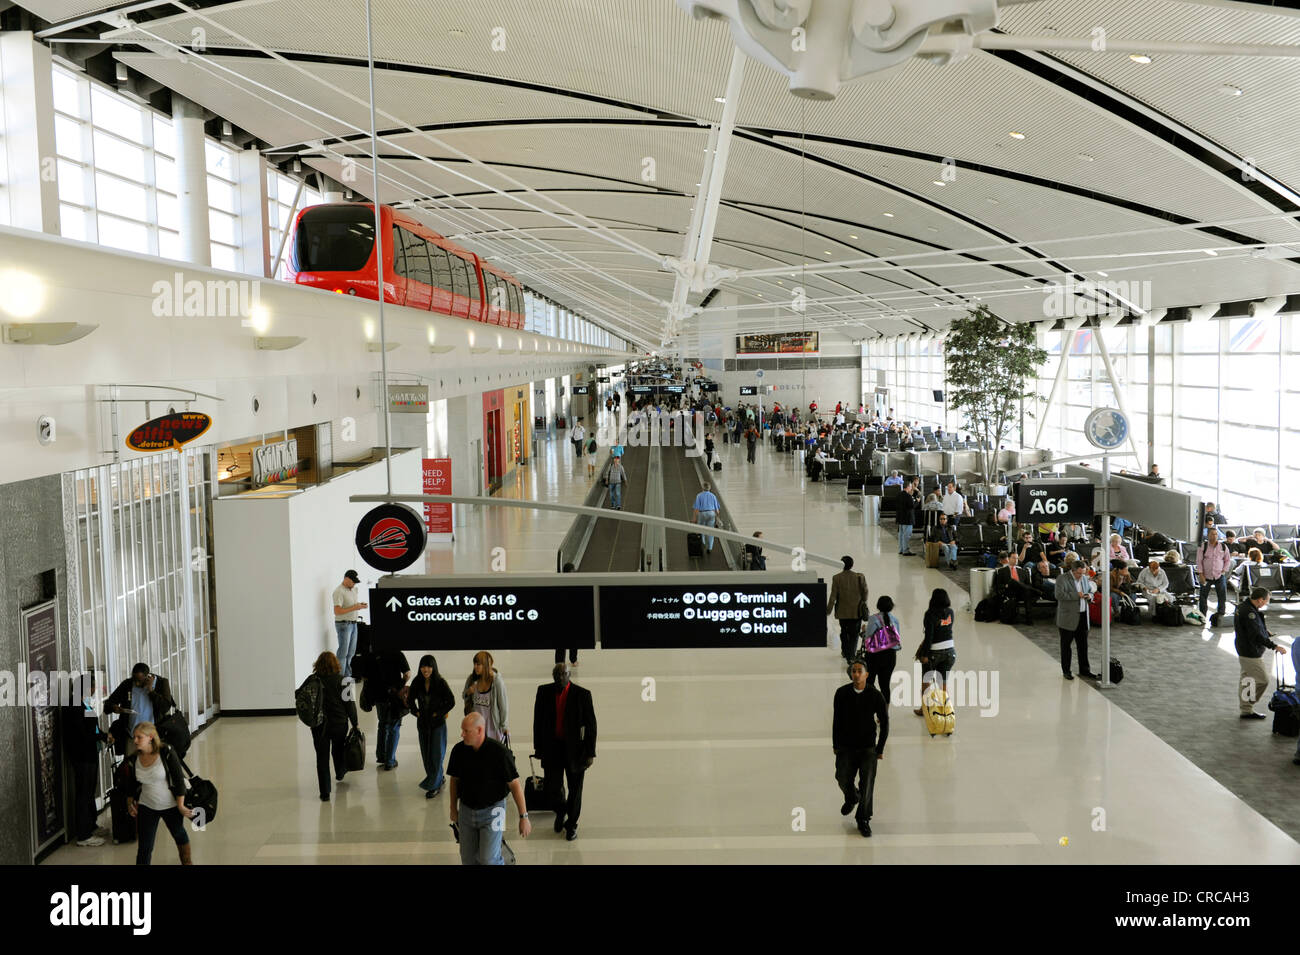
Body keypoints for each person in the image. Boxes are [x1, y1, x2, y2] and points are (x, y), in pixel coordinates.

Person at [447, 713, 531, 865]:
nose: (462, 734)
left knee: (488, 859)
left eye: (466, 731)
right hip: (466, 811)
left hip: (494, 811)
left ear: (479, 730)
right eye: (462, 730)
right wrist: (453, 808)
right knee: (467, 858)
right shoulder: (459, 751)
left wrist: (523, 817)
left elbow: (515, 785)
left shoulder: (500, 753)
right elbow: (454, 780)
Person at [532, 663, 597, 841]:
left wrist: (590, 752)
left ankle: (571, 825)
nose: (560, 678)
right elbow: (537, 722)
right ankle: (561, 811)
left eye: (564, 674)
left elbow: (591, 726)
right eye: (557, 675)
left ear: (569, 675)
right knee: (552, 788)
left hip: (576, 751)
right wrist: (538, 747)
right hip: (552, 749)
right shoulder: (543, 692)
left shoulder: (582, 695)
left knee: (575, 790)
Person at [122, 722, 194, 865]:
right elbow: (131, 784)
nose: (135, 741)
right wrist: (130, 802)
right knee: (145, 847)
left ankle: (187, 862)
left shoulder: (166, 752)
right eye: (134, 737)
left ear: (150, 737)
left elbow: (179, 780)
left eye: (139, 737)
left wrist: (180, 805)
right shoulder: (134, 759)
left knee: (179, 834)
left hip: (170, 805)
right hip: (146, 806)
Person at [832, 658, 888, 838]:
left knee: (867, 784)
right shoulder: (841, 694)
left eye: (859, 671)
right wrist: (836, 744)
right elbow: (836, 721)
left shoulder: (875, 695)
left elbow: (885, 722)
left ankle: (863, 818)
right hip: (846, 746)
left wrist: (880, 748)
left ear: (866, 674)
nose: (856, 674)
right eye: (853, 671)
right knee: (841, 777)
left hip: (867, 747)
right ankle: (851, 797)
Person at [61, 672, 110, 845]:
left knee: (90, 791)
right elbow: (81, 734)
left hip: (90, 753)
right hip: (82, 755)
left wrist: (104, 736)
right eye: (93, 686)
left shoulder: (84, 703)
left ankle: (91, 825)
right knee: (83, 793)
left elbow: (93, 728)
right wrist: (98, 737)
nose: (95, 689)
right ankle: (83, 835)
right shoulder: (73, 706)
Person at [309, 651, 359, 801]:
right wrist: (355, 723)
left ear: (318, 665)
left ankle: (325, 793)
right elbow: (350, 706)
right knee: (338, 749)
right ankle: (340, 772)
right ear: (335, 664)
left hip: (319, 726)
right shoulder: (344, 681)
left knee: (322, 758)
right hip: (339, 724)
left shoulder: (313, 681)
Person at [1234, 587, 1287, 720]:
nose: (1266, 603)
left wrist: (1265, 631)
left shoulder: (1244, 607)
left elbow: (1251, 627)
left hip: (1243, 648)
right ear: (1259, 600)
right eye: (1266, 601)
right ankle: (1248, 704)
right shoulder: (1249, 612)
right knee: (1263, 680)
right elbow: (1255, 635)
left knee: (1248, 680)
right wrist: (1274, 646)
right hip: (1250, 651)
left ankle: (1246, 710)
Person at [408, 654, 455, 798]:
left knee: (436, 754)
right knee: (427, 755)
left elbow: (451, 701)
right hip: (423, 724)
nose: (425, 669)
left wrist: (439, 713)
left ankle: (434, 785)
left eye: (428, 666)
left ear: (433, 667)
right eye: (423, 666)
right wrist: (415, 712)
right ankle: (438, 778)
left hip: (437, 725)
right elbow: (410, 700)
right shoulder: (417, 682)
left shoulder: (440, 683)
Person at [106, 663, 177, 753]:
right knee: (132, 764)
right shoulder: (127, 684)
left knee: (152, 764)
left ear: (147, 677)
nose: (136, 683)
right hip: (132, 737)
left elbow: (165, 707)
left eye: (139, 680)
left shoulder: (161, 683)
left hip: (153, 736)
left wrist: (151, 691)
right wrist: (114, 707)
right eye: (134, 679)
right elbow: (109, 703)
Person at [914, 589, 955, 715]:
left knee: (926, 682)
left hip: (934, 652)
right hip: (950, 651)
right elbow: (947, 629)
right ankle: (946, 711)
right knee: (943, 683)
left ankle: (924, 709)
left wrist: (924, 655)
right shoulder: (950, 612)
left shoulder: (930, 614)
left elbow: (929, 637)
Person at [1055, 562, 1098, 681]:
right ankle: (1066, 671)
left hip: (1083, 615)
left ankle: (1085, 670)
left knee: (1083, 645)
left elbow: (1090, 591)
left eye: (1083, 573)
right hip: (1068, 618)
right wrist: (1076, 595)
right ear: (1072, 570)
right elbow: (1059, 595)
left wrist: (1090, 596)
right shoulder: (1062, 578)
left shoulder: (1084, 578)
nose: (1081, 576)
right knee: (1066, 646)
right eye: (1079, 573)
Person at [370, 648, 410, 770]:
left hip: (379, 696)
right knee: (394, 727)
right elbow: (407, 674)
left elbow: (367, 676)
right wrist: (400, 686)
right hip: (394, 696)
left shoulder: (375, 654)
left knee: (382, 725)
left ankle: (381, 756)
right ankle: (390, 761)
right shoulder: (397, 653)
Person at [827, 556, 869, 663]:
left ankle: (845, 652)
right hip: (856, 611)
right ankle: (851, 655)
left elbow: (833, 597)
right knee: (854, 634)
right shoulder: (859, 577)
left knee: (844, 632)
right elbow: (865, 592)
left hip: (842, 612)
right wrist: (863, 600)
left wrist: (828, 611)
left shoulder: (837, 578)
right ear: (852, 565)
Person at [462, 650, 509, 744]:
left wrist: (504, 726)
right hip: (476, 727)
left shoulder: (496, 682)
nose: (475, 667)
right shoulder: (472, 679)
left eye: (478, 664)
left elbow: (503, 705)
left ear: (486, 665)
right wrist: (469, 692)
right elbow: (464, 696)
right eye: (474, 664)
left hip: (492, 727)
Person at [861, 595, 902, 701]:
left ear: (878, 606)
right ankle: (884, 714)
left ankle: (871, 707)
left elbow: (868, 636)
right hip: (890, 657)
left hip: (874, 656)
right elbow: (896, 640)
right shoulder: (895, 620)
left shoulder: (874, 618)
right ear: (891, 607)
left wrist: (864, 630)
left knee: (869, 682)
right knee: (885, 685)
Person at [331, 570, 367, 679]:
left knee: (351, 652)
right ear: (346, 579)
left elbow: (351, 605)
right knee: (343, 652)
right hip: (344, 624)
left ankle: (347, 675)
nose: (354, 584)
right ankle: (340, 677)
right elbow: (337, 611)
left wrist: (359, 605)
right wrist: (355, 607)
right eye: (353, 581)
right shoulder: (339, 591)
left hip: (353, 623)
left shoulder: (353, 590)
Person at [1195, 527, 1232, 625]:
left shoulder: (1223, 546)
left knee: (1222, 596)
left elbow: (1227, 560)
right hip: (1206, 575)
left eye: (1216, 534)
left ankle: (1220, 616)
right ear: (1208, 535)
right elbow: (1199, 561)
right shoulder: (1203, 546)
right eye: (1212, 534)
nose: (1214, 536)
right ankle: (1202, 617)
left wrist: (1224, 570)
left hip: (1219, 575)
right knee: (1203, 596)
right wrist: (1201, 574)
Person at [994, 551, 1038, 624]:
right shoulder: (1002, 571)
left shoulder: (1023, 571)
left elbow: (1028, 585)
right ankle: (1036, 591)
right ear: (1008, 559)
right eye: (1014, 558)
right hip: (1009, 592)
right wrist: (1006, 585)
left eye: (1017, 558)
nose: (1016, 560)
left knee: (1026, 591)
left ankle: (1029, 617)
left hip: (1022, 593)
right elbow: (998, 585)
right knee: (1012, 581)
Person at [692, 481, 721, 553]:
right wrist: (717, 517)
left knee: (701, 529)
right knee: (711, 531)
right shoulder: (713, 496)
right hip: (711, 514)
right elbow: (717, 510)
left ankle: (703, 543)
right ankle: (710, 548)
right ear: (709, 488)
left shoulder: (699, 495)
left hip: (702, 514)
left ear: (702, 487)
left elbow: (696, 509)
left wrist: (694, 519)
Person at [896, 479, 919, 556]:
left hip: (900, 518)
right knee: (907, 535)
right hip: (908, 519)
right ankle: (905, 550)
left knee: (901, 534)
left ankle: (901, 549)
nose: (911, 488)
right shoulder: (908, 496)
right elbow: (912, 506)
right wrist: (917, 502)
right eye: (910, 487)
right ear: (908, 487)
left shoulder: (899, 494)